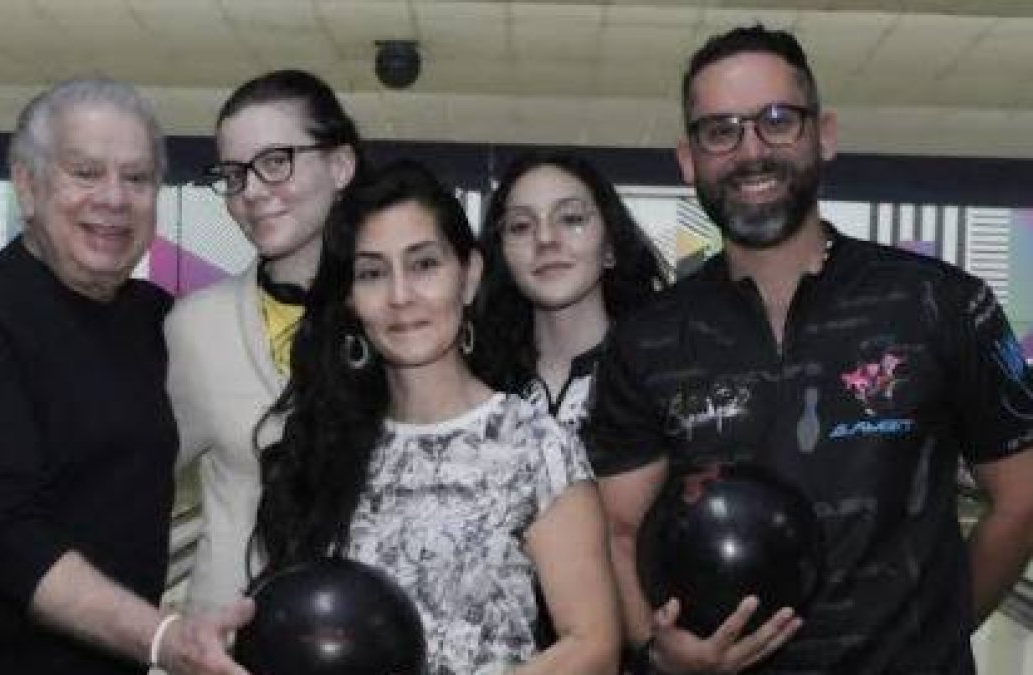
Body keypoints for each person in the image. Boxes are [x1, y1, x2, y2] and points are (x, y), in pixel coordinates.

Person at [584, 24, 1033, 674]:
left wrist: (933, 635)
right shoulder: (646, 339)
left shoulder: (940, 303)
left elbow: (1020, 497)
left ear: (823, 134)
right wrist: (659, 652)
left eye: (776, 120)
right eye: (721, 131)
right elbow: (621, 531)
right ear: (689, 160)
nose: (751, 151)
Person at [0, 78, 253, 675]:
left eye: (137, 179)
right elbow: (7, 536)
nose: (114, 198)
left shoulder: (151, 321)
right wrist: (167, 638)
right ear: (28, 185)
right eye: (85, 173)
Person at [251, 161, 622, 674]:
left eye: (424, 264)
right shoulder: (322, 446)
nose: (401, 296)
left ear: (468, 277)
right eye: (373, 273)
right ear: (351, 300)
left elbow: (593, 647)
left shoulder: (535, 445)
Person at [165, 69, 362, 612]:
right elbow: (132, 482)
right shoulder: (195, 327)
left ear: (340, 166)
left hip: (375, 638)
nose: (251, 192)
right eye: (233, 174)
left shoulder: (400, 319)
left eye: (276, 162)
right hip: (225, 646)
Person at [475, 151, 668, 432]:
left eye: (571, 218)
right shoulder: (476, 383)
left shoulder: (664, 373)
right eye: (520, 226)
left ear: (610, 246)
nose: (545, 239)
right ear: (502, 253)